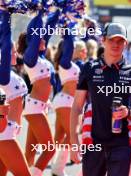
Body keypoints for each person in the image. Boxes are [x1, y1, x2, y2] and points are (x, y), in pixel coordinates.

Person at [70, 22, 131, 176]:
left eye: (120, 41)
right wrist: (74, 142)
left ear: (125, 43)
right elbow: (77, 106)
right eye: (112, 40)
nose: (116, 44)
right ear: (103, 40)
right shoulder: (89, 68)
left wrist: (129, 112)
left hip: (122, 143)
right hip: (93, 142)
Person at [17, 9, 59, 175]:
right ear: (32, 39)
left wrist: (60, 10)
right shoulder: (30, 57)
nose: (43, 38)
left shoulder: (41, 56)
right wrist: (40, 11)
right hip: (34, 107)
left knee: (30, 152)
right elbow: (39, 30)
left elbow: (49, 28)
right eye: (39, 37)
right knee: (50, 149)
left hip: (39, 106)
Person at [0, 8, 30, 176]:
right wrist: (6, 14)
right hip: (4, 133)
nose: (15, 53)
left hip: (8, 131)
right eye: (11, 50)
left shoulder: (9, 73)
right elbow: (4, 42)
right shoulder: (2, 74)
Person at [51, 29, 81, 176]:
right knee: (71, 134)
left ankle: (52, 165)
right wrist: (69, 27)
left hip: (65, 100)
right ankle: (58, 168)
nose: (74, 49)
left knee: (59, 136)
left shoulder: (67, 64)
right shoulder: (66, 64)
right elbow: (69, 44)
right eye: (72, 47)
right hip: (65, 101)